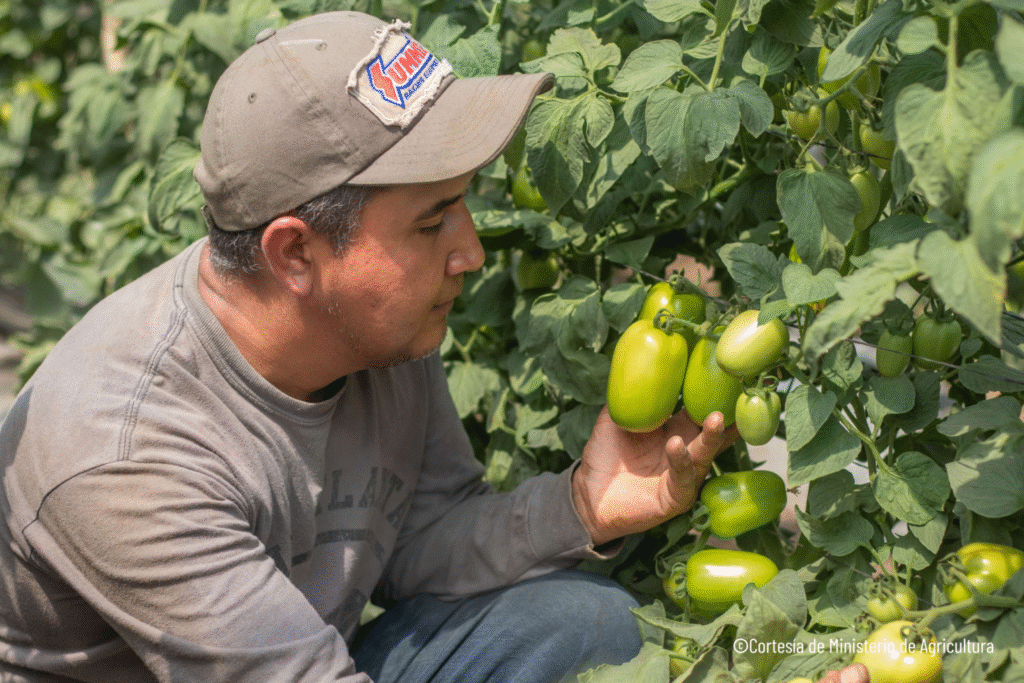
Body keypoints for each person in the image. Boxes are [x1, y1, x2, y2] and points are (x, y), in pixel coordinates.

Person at [0, 10, 869, 683]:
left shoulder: (375, 326)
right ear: (295, 253)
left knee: (583, 623)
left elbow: (418, 540)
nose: (472, 251)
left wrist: (584, 504)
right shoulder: (127, 456)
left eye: (464, 203)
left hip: (304, 654)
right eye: (431, 221)